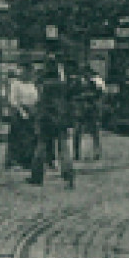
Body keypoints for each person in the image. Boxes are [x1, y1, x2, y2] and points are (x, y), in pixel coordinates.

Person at [31, 58, 76, 189]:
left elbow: (40, 101)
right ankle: (68, 175)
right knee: (64, 147)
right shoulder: (63, 84)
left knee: (41, 146)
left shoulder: (43, 84)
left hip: (47, 119)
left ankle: (37, 176)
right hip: (61, 119)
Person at [4, 64, 39, 170]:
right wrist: (22, 111)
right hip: (19, 113)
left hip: (32, 112)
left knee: (31, 138)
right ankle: (15, 161)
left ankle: (28, 160)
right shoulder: (16, 84)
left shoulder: (32, 84)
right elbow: (12, 100)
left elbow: (36, 97)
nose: (29, 74)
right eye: (26, 71)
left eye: (30, 72)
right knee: (18, 137)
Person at [75, 72, 106, 163]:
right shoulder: (77, 84)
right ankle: (77, 153)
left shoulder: (94, 84)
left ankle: (96, 152)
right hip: (82, 111)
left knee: (94, 132)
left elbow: (99, 95)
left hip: (91, 110)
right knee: (78, 132)